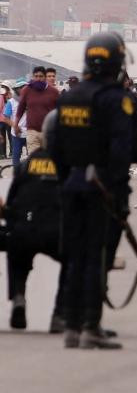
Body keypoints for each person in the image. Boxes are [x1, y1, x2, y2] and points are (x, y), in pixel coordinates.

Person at [52, 33, 135, 349]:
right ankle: (91, 326)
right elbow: (121, 150)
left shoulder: (70, 96)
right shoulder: (116, 98)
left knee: (74, 256)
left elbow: (55, 147)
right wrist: (114, 191)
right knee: (96, 258)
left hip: (71, 185)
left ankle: (71, 325)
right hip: (102, 189)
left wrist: (64, 182)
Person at [2, 131, 67, 331]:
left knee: (17, 256)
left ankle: (19, 297)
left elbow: (11, 204)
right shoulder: (67, 167)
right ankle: (59, 313)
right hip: (55, 232)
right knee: (73, 260)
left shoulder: (24, 166)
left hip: (23, 229)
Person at [14, 65, 59, 154]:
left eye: (41, 76)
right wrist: (15, 125)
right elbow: (21, 108)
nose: (38, 79)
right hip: (32, 131)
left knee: (49, 161)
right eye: (36, 76)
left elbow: (59, 112)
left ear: (45, 77)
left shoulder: (54, 92)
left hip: (49, 132)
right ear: (33, 77)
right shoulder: (26, 90)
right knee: (34, 161)